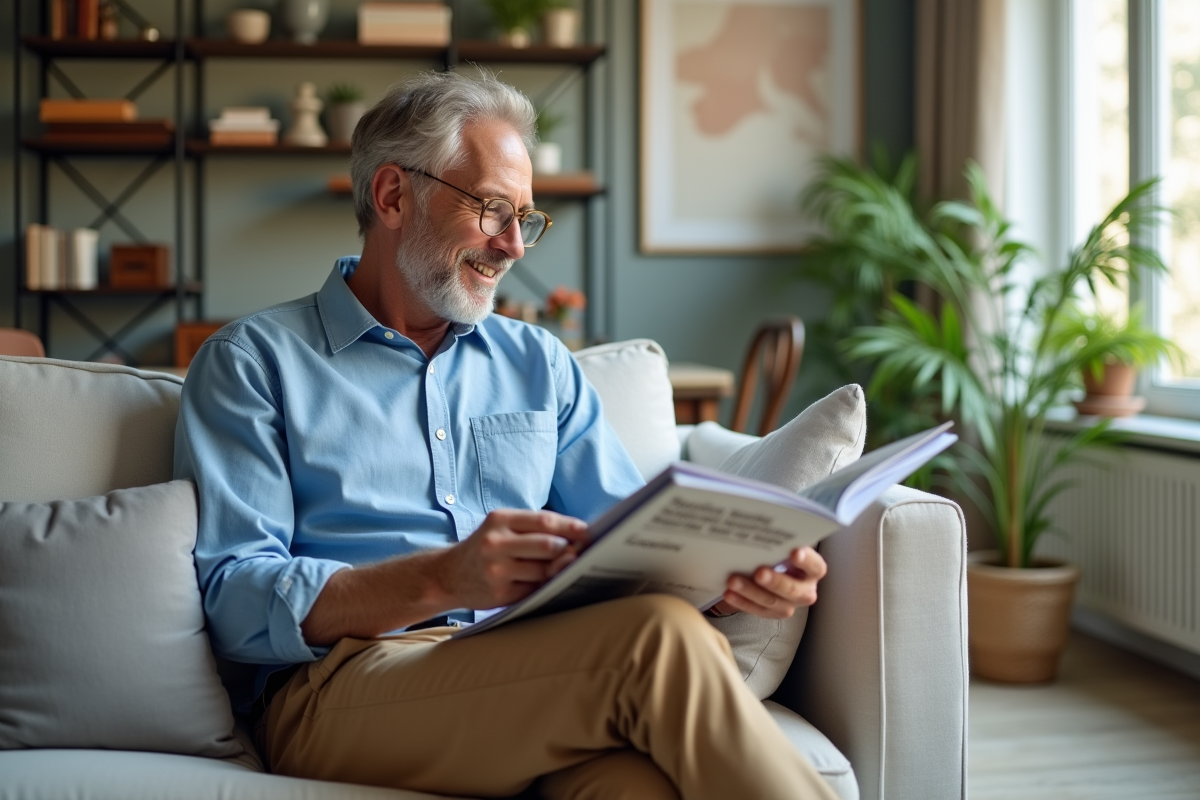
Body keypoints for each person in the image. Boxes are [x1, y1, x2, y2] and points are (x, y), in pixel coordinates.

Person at [175, 70, 837, 800]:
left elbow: (636, 543)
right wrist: (441, 578)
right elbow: (236, 600)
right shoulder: (253, 362)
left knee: (636, 786)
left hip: (535, 675)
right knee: (657, 640)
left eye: (526, 217)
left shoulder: (539, 364)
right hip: (337, 690)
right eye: (493, 210)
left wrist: (729, 578)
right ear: (394, 195)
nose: (515, 246)